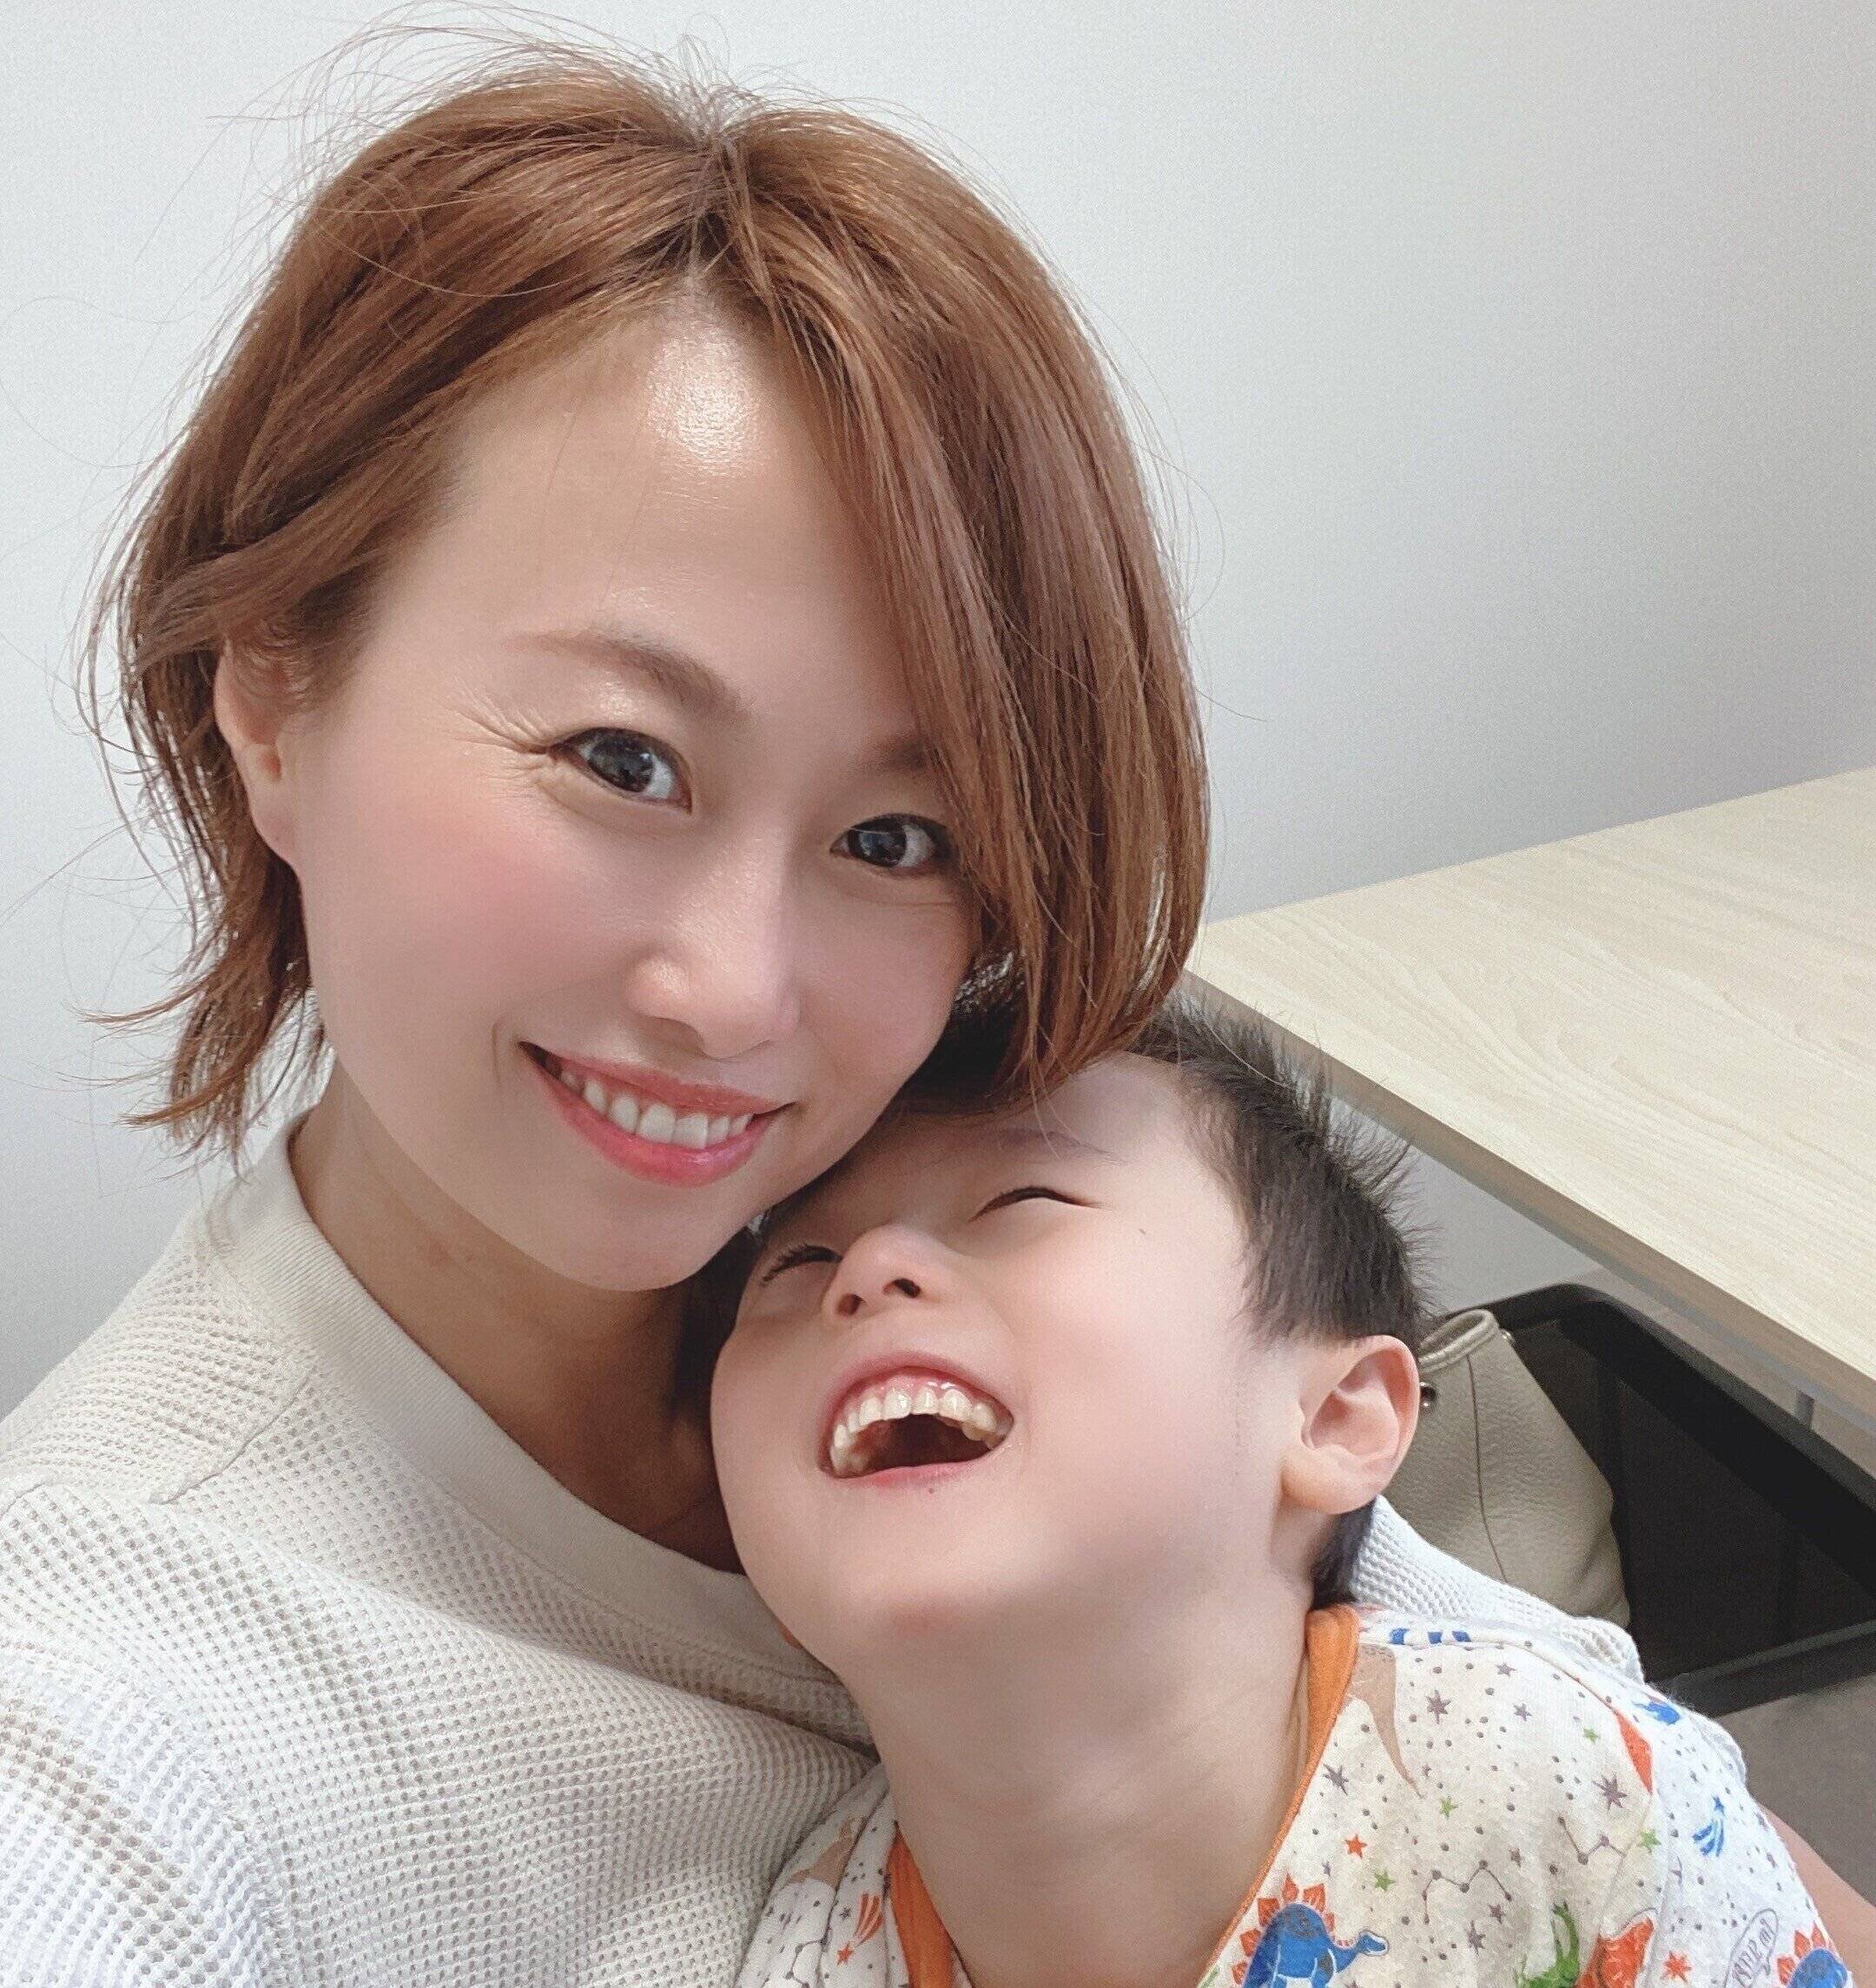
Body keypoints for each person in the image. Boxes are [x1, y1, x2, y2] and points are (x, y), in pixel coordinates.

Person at [3, 33, 1862, 1988]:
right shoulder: (104, 1719)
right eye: (622, 760)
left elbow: (1690, 1841)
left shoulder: (1061, 1302)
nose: (735, 991)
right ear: (274, 695)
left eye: (895, 835)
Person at [714, 994, 1857, 1988]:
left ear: (1336, 1418)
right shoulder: (804, 1952)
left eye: (1019, 1200)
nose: (868, 1269)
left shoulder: (1577, 1796)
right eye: (797, 1262)